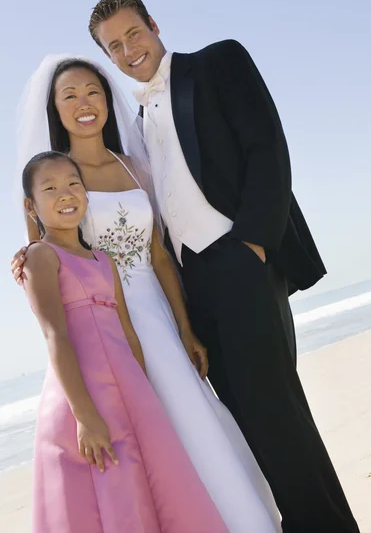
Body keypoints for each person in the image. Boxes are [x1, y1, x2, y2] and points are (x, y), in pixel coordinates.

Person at [84, 0, 359, 533]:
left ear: (154, 25)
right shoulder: (137, 120)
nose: (128, 49)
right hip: (192, 286)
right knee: (245, 422)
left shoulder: (216, 62)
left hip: (239, 262)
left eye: (133, 34)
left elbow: (267, 147)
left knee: (278, 414)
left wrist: (254, 245)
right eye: (113, 46)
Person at [12, 56, 282, 533]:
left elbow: (158, 254)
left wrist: (183, 326)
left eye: (92, 91)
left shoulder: (132, 165)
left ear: (106, 98)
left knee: (191, 417)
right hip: (104, 326)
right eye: (69, 96)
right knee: (138, 435)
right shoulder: (56, 176)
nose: (84, 104)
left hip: (155, 311)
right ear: (55, 109)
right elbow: (46, 247)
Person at [21, 150, 229, 533]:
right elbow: (55, 335)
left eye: (73, 184)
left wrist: (144, 393)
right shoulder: (40, 257)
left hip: (128, 389)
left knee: (156, 483)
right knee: (111, 490)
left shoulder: (103, 260)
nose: (65, 194)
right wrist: (84, 416)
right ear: (30, 206)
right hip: (84, 395)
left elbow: (126, 331)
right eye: (50, 189)